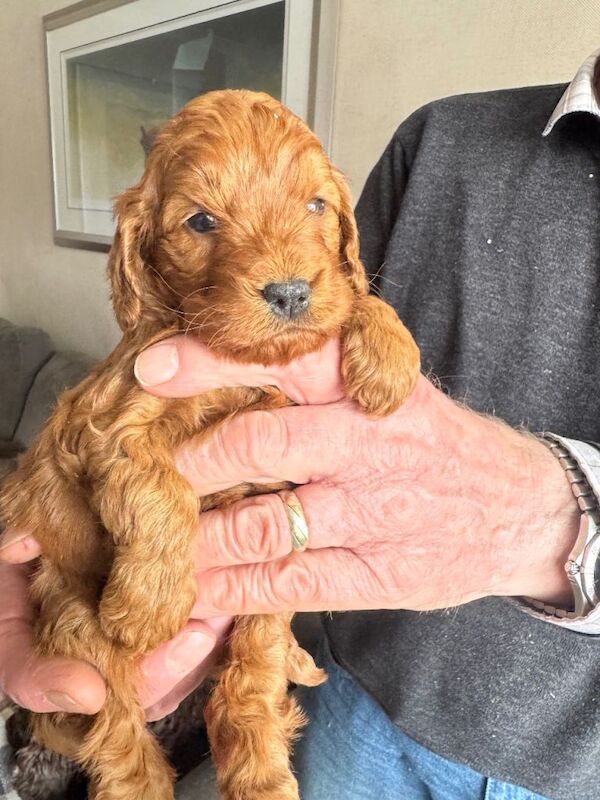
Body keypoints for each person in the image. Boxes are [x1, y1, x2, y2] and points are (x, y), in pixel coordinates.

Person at [2, 48, 600, 800]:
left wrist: (565, 517)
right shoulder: (438, 140)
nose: (282, 269)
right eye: (201, 222)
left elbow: (346, 302)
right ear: (139, 259)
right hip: (357, 695)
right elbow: (332, 317)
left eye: (314, 207)